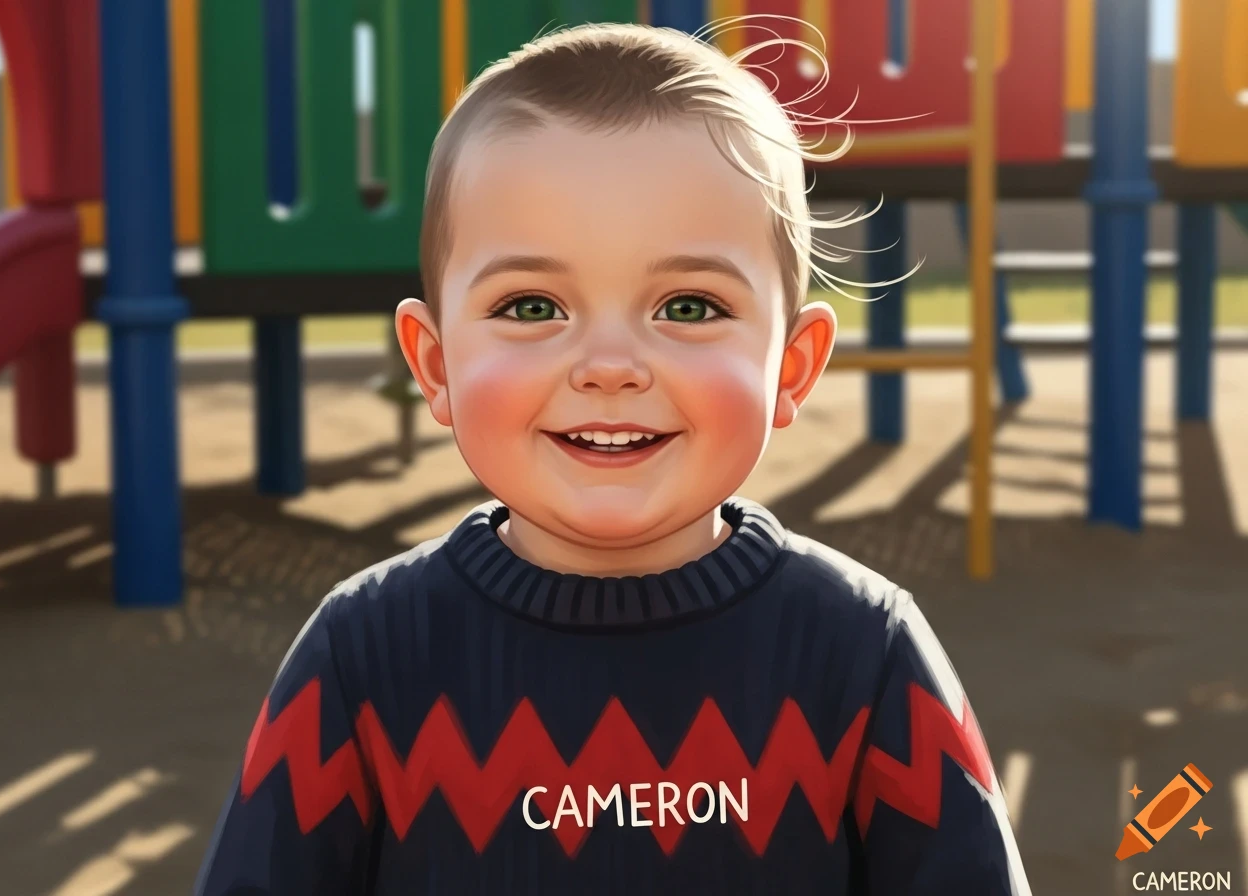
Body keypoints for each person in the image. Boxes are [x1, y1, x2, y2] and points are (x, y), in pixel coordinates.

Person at [195, 19, 1030, 895]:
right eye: (530, 306)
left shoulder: (862, 651)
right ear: (436, 365)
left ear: (792, 367)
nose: (608, 367)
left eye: (690, 306)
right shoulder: (364, 653)